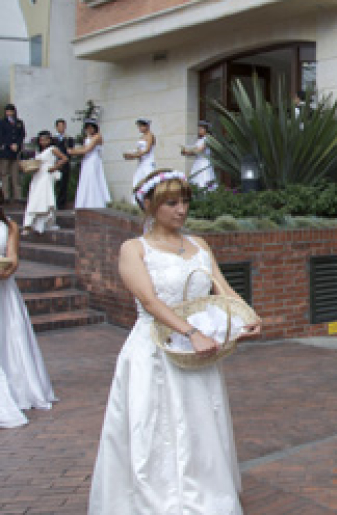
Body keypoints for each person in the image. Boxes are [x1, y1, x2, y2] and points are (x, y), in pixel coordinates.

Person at [88, 169, 262, 514]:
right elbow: (150, 302)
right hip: (155, 349)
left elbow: (222, 289)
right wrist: (191, 333)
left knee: (200, 419)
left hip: (198, 351)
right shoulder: (134, 249)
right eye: (171, 203)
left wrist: (248, 315)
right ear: (151, 206)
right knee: (153, 424)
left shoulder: (199, 244)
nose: (181, 210)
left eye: (184, 201)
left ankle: (203, 491)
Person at [0, 195, 57, 422]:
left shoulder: (10, 226)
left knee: (9, 338)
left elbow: (12, 260)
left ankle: (18, 387)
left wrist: (6, 269)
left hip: (4, 290)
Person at [22, 131, 68, 235]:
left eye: (45, 139)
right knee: (34, 198)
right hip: (38, 176)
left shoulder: (52, 149)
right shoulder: (39, 152)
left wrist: (55, 167)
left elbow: (65, 158)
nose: (42, 141)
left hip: (46, 175)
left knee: (44, 197)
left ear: (49, 140)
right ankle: (31, 223)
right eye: (41, 140)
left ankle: (45, 222)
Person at [69, 119, 111, 209]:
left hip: (93, 160)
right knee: (85, 179)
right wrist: (74, 151)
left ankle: (94, 203)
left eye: (91, 127)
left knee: (92, 179)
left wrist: (73, 152)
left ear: (95, 128)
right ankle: (84, 203)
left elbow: (87, 149)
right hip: (87, 159)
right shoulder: (88, 137)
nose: (89, 129)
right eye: (87, 127)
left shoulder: (97, 136)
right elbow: (84, 149)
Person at [180, 120, 217, 190]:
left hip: (204, 163)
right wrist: (185, 152)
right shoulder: (199, 140)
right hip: (197, 162)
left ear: (206, 130)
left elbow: (200, 150)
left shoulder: (207, 139)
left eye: (201, 128)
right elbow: (195, 152)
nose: (199, 130)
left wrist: (188, 150)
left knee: (204, 179)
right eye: (199, 128)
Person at [0, 104, 26, 201]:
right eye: (7, 111)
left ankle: (18, 196)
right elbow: (1, 136)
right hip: (5, 151)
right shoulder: (2, 122)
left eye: (11, 111)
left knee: (15, 174)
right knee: (4, 174)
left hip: (15, 152)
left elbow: (22, 135)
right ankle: (6, 196)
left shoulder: (19, 122)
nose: (9, 113)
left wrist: (17, 144)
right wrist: (10, 144)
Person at [124, 118, 156, 193]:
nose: (140, 128)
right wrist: (130, 155)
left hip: (148, 162)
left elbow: (147, 150)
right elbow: (138, 151)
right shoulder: (141, 137)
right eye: (139, 126)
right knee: (136, 182)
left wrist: (135, 155)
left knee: (149, 182)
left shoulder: (150, 136)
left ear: (147, 126)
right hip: (141, 163)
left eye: (141, 126)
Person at [52, 119, 75, 209]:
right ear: (56, 127)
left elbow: (71, 151)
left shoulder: (69, 139)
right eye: (59, 126)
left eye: (62, 126)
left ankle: (61, 204)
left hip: (65, 163)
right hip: (55, 163)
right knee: (55, 184)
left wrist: (65, 160)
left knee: (63, 184)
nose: (61, 128)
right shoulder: (53, 139)